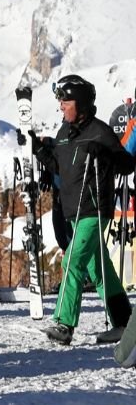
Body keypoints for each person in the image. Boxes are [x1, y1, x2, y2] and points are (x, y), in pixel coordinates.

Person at [32, 75, 134, 345]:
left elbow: (126, 165)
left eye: (65, 101)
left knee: (72, 261)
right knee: (100, 270)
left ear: (81, 103)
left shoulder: (100, 131)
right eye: (60, 101)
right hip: (73, 211)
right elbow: (59, 168)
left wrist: (103, 153)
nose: (61, 106)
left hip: (93, 209)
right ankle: (124, 323)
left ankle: (64, 324)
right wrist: (39, 150)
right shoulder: (64, 133)